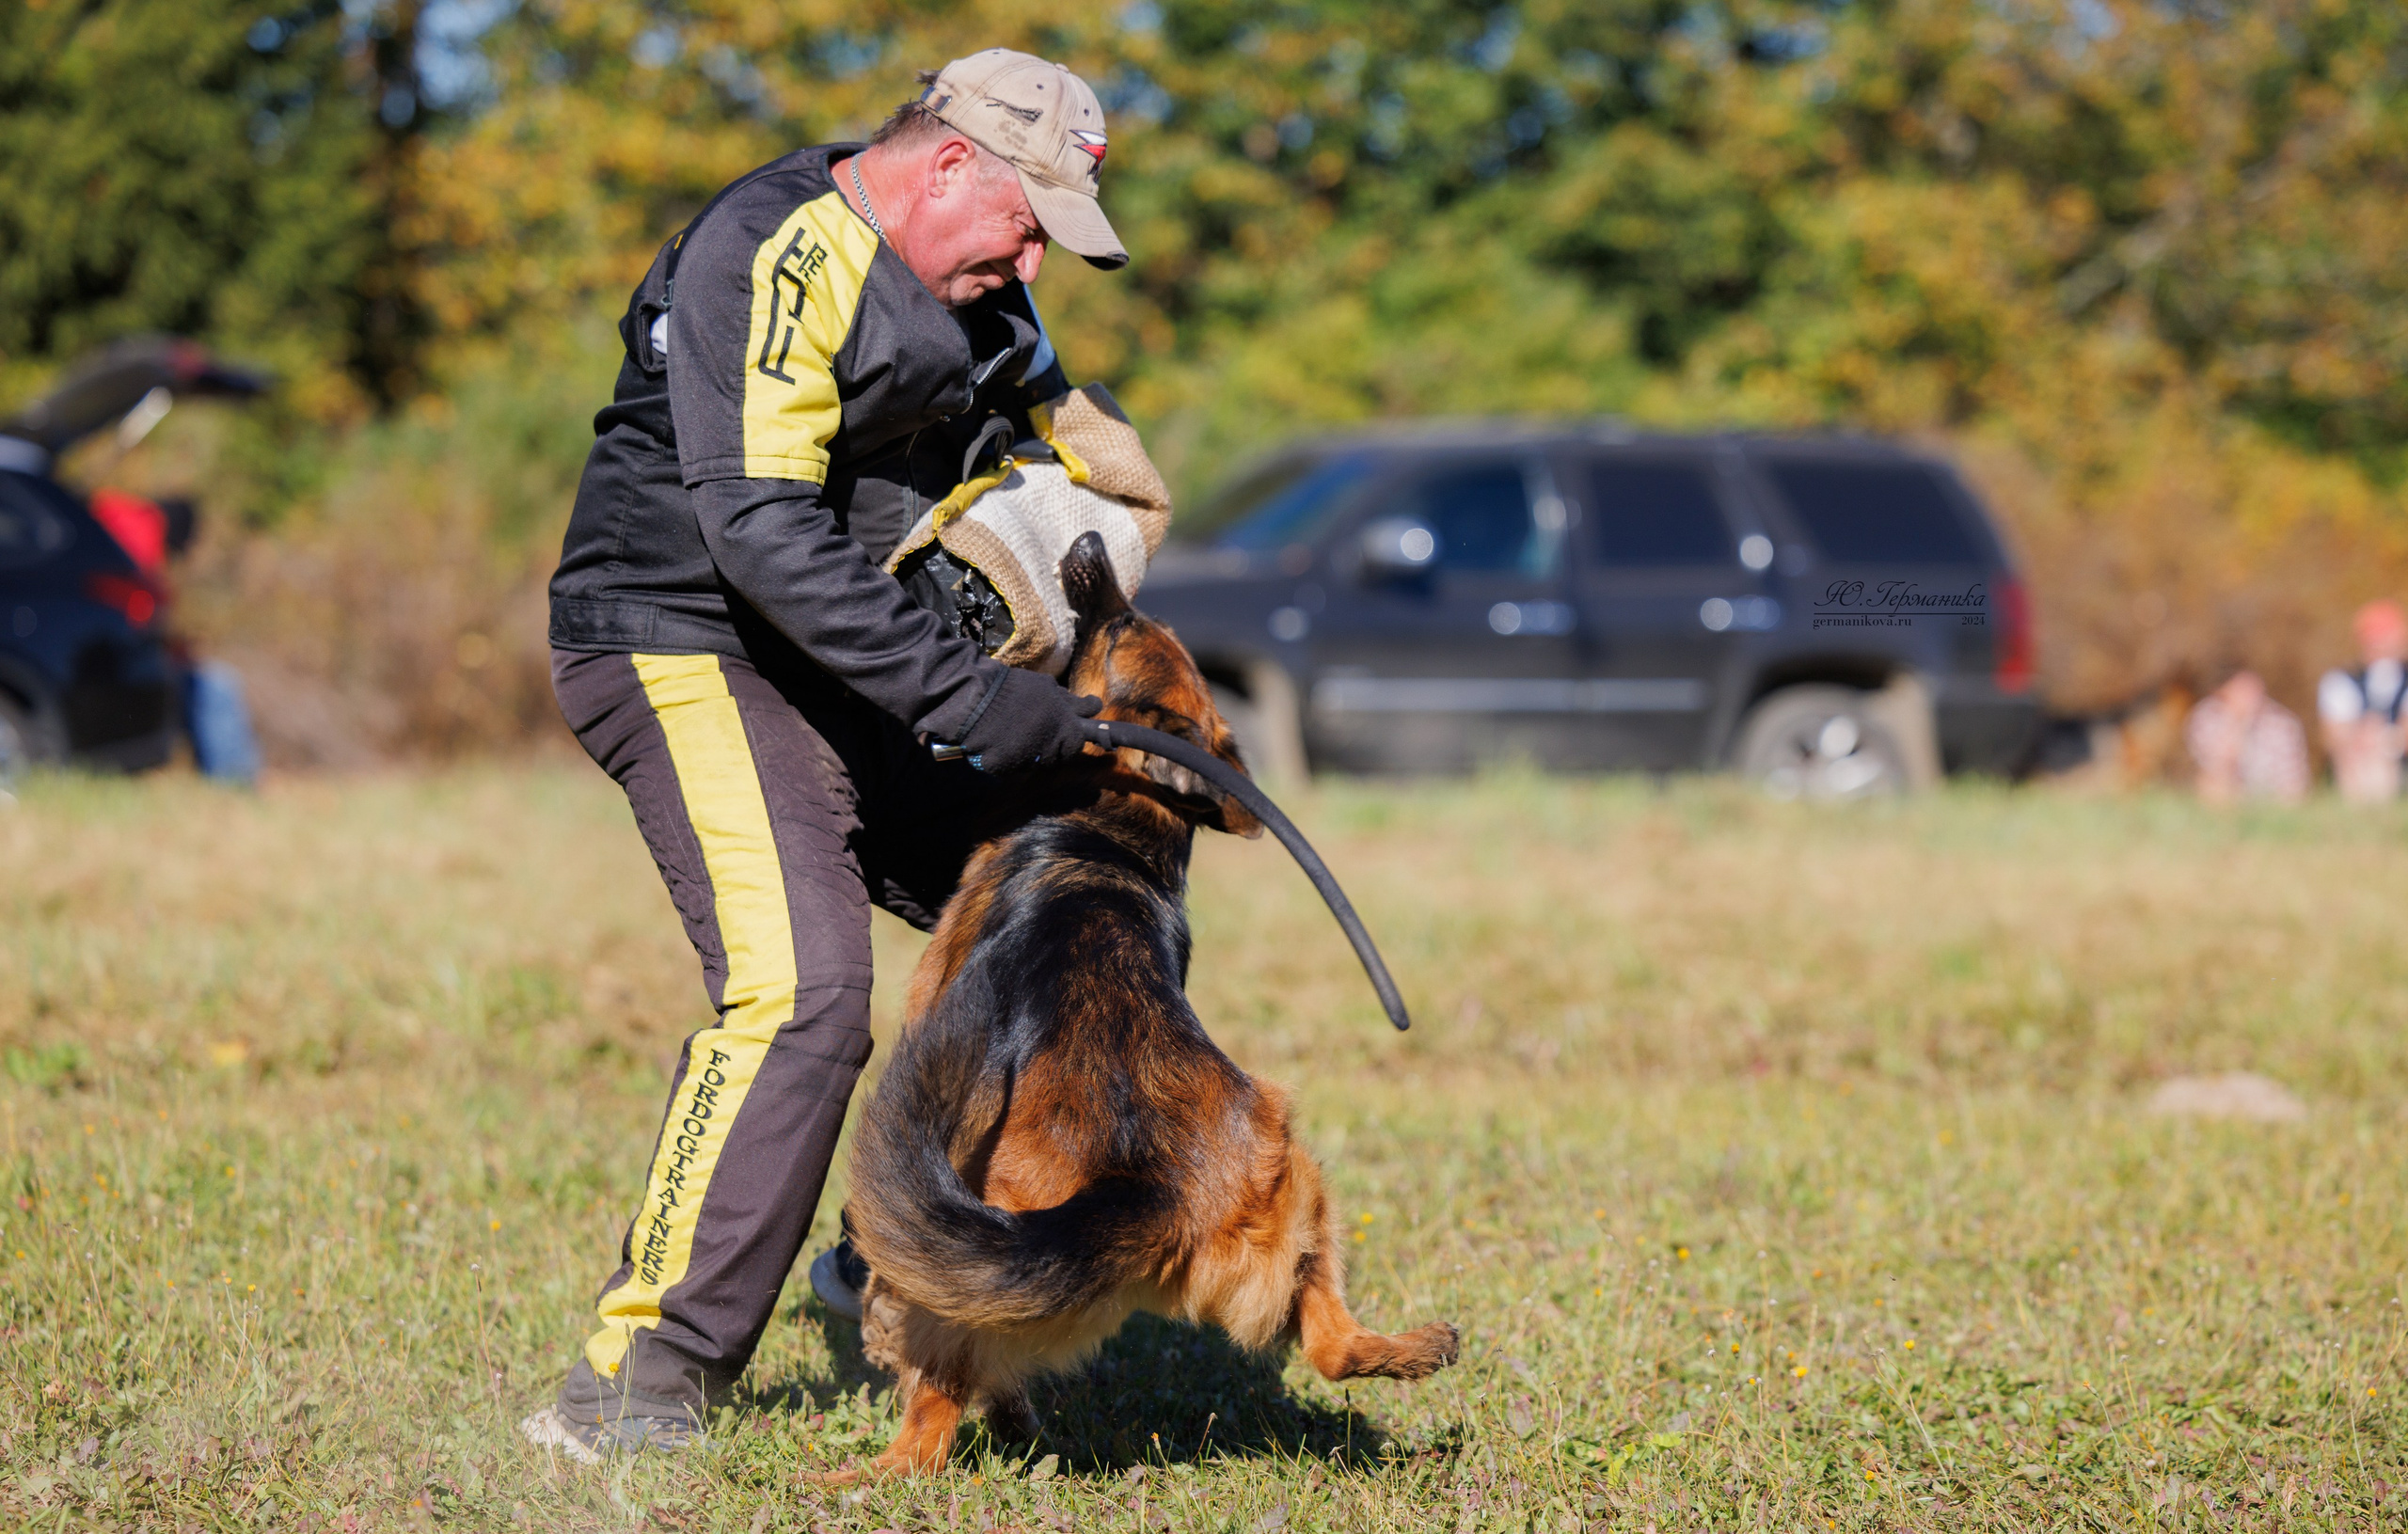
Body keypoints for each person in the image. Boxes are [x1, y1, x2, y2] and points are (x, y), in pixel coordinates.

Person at [522, 50, 1132, 1461]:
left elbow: (1070, 431)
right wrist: (971, 702)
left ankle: (900, 1248)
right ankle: (637, 1376)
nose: (1034, 255)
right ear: (943, 165)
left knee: (1066, 895)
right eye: (1026, 218)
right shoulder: (781, 249)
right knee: (803, 989)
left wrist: (1118, 512)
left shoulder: (989, 293)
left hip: (843, 660)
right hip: (681, 643)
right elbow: (760, 530)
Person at [2317, 599, 2408, 803]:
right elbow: (2334, 737)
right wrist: (2361, 739)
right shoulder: (2341, 681)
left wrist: (2387, 740)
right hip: (2357, 766)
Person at [2186, 670, 2309, 805]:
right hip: (2233, 792)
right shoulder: (2207, 716)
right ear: (2224, 690)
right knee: (2213, 785)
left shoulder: (2283, 724)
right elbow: (2216, 766)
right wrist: (2237, 723)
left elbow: (2293, 779)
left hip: (2271, 794)